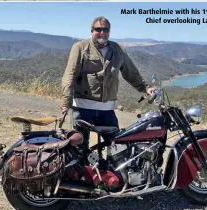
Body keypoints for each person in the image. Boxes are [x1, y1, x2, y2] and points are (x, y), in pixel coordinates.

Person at [60, 16, 156, 149]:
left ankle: (111, 170)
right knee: (80, 148)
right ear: (92, 30)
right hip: (83, 107)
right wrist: (66, 103)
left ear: (109, 31)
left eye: (105, 29)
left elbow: (131, 73)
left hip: (107, 109)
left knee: (117, 145)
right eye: (98, 29)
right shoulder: (80, 48)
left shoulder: (118, 50)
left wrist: (145, 88)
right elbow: (69, 76)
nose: (102, 32)